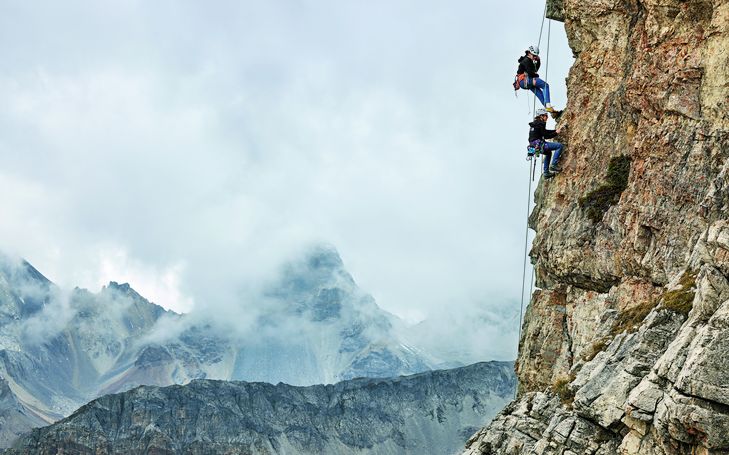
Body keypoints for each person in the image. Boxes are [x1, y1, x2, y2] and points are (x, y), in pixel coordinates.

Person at [515, 46, 561, 117]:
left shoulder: (529, 59)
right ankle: (548, 106)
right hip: (525, 80)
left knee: (539, 93)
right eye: (534, 55)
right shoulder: (526, 60)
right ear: (529, 53)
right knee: (545, 85)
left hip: (524, 82)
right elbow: (531, 73)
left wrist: (538, 61)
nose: (534, 57)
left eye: (536, 56)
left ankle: (551, 111)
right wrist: (536, 75)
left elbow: (535, 70)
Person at [529, 108, 563, 178]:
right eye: (546, 116)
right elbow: (546, 135)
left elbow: (544, 132)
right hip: (539, 145)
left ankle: (546, 173)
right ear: (541, 116)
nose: (547, 117)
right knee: (559, 146)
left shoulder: (535, 124)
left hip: (534, 146)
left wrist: (555, 131)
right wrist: (556, 133)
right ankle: (553, 165)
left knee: (548, 153)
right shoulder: (540, 123)